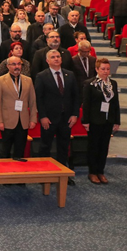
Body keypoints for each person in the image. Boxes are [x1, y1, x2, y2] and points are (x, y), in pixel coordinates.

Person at [35, 49, 80, 184]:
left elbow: (76, 96)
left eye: (58, 56)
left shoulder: (70, 74)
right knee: (45, 146)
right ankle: (44, 175)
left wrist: (75, 114)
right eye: (53, 57)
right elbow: (39, 98)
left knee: (63, 147)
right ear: (47, 60)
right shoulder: (41, 76)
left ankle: (63, 175)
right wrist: (42, 116)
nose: (56, 59)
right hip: (48, 119)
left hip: (66, 118)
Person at [82, 58, 120, 185]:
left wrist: (117, 121)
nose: (106, 71)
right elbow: (86, 103)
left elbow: (116, 103)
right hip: (94, 120)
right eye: (103, 69)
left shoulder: (113, 83)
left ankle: (100, 171)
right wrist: (86, 121)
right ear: (97, 69)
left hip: (108, 120)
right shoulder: (90, 83)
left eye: (108, 69)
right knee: (94, 147)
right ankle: (92, 172)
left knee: (104, 147)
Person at [0, 57, 37, 157]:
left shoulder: (28, 80)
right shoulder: (0, 80)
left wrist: (33, 119)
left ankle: (19, 166)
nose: (17, 66)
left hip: (23, 121)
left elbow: (32, 101)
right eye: (13, 64)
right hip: (7, 121)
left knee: (20, 150)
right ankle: (5, 167)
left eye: (19, 64)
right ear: (7, 66)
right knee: (5, 150)